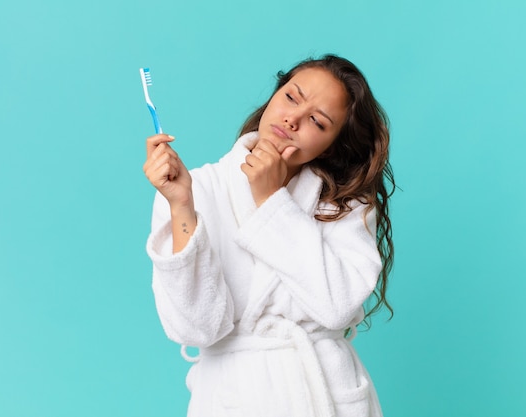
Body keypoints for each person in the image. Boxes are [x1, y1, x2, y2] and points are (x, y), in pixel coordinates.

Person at [143, 54, 394, 417]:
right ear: (274, 96)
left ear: (333, 145)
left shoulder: (344, 205)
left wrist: (271, 200)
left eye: (317, 121)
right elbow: (198, 329)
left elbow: (337, 306)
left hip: (325, 394)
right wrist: (181, 205)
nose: (292, 119)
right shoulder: (195, 189)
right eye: (291, 97)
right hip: (233, 399)